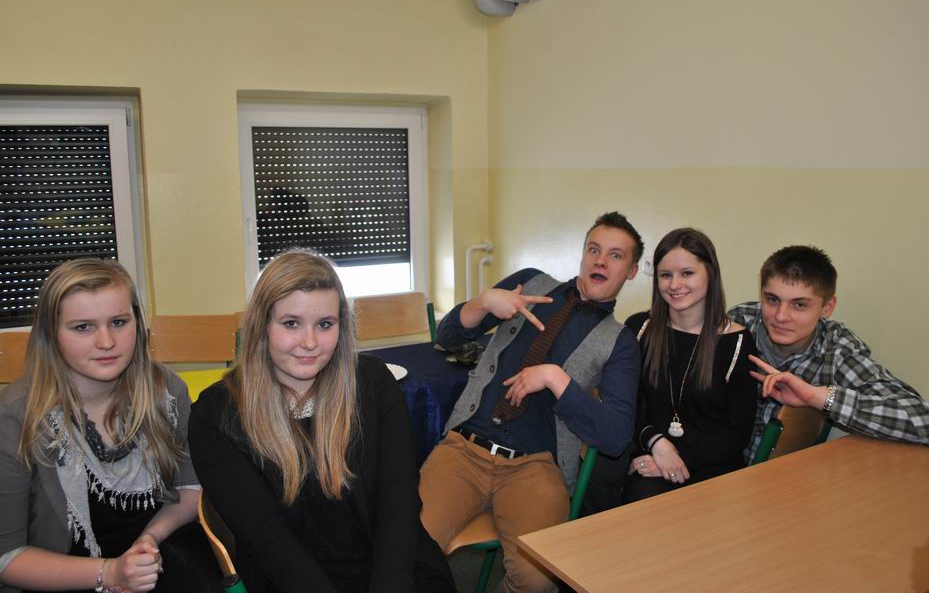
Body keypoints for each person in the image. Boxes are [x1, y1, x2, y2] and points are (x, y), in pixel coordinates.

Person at [187, 249, 454, 593]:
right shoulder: (217, 415)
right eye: (291, 323)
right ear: (261, 326)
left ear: (342, 325)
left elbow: (398, 503)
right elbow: (267, 538)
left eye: (325, 324)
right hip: (290, 579)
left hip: (391, 567)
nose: (310, 342)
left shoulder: (373, 383)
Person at [419, 212, 643, 593]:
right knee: (409, 550)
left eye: (616, 255)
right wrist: (482, 303)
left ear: (632, 271)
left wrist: (557, 380)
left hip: (536, 468)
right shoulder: (530, 282)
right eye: (594, 250)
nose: (601, 261)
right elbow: (446, 338)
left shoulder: (620, 342)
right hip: (464, 452)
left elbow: (616, 436)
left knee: (538, 580)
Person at [0, 259, 215, 593]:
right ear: (51, 335)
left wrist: (148, 540)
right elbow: (7, 558)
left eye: (118, 322)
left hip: (158, 558)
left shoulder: (166, 390)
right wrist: (111, 572)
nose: (106, 342)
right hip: (64, 577)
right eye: (82, 327)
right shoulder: (16, 418)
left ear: (137, 323)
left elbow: (190, 489)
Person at [729, 245, 929, 462]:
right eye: (772, 300)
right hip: (720, 467)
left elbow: (922, 420)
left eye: (799, 304)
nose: (781, 316)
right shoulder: (738, 323)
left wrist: (818, 397)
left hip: (780, 474)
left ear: (827, 307)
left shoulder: (836, 352)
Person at [620, 228, 758, 504]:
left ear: (710, 274)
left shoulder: (737, 342)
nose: (674, 284)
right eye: (665, 275)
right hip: (651, 457)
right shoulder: (639, 329)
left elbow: (736, 432)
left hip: (714, 468)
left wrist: (677, 460)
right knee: (642, 510)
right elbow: (626, 406)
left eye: (687, 273)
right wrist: (656, 443)